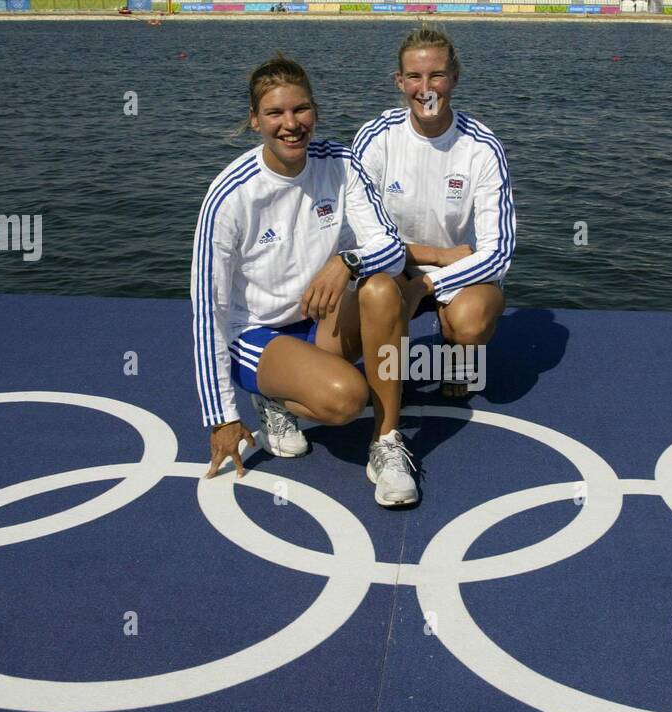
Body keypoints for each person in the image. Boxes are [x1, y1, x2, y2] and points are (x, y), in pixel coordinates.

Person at [192, 54, 420, 507]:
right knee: (346, 399)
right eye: (275, 113)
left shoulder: (340, 162)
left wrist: (347, 263)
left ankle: (387, 443)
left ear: (315, 111)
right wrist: (221, 416)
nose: (291, 124)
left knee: (381, 288)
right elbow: (207, 310)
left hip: (316, 319)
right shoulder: (230, 195)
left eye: (301, 110)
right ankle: (272, 399)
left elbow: (392, 250)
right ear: (255, 120)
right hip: (257, 332)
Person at [351, 24, 515, 398]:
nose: (426, 88)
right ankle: (389, 362)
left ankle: (457, 353)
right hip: (391, 265)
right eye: (414, 76)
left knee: (469, 323)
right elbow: (356, 234)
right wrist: (424, 264)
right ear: (399, 81)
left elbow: (499, 253)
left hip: (460, 269)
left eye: (437, 75)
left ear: (455, 78)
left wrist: (426, 284)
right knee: (362, 315)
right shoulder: (376, 138)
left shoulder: (483, 147)